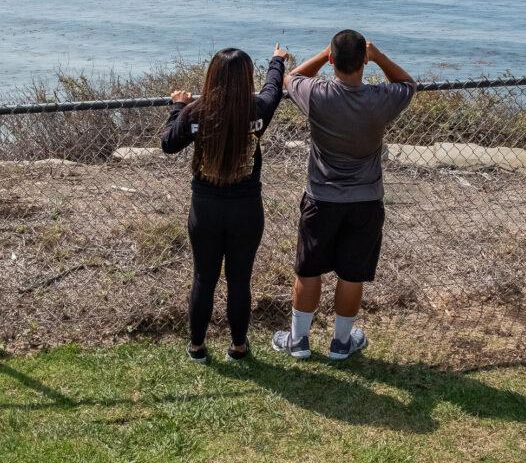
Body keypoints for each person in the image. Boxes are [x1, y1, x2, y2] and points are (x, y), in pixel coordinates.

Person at [271, 30, 416, 360]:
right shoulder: (379, 99)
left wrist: (323, 56)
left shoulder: (317, 95)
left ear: (333, 60)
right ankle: (340, 343)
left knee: (309, 271)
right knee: (352, 274)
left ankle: (299, 341)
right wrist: (379, 57)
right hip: (365, 200)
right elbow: (408, 85)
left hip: (321, 198)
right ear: (363, 60)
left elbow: (291, 77)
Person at [162, 45, 289, 363]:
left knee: (204, 278)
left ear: (212, 76)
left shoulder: (197, 112)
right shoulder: (258, 109)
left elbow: (168, 143)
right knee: (239, 279)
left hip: (205, 209)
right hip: (246, 209)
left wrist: (178, 107)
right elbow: (273, 87)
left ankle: (197, 347)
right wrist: (277, 60)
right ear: (247, 77)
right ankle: (238, 347)